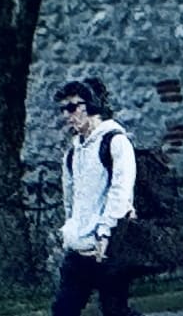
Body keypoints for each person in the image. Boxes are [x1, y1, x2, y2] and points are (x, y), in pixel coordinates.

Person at [51, 80, 143, 316]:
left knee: (115, 311)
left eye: (72, 107)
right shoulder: (73, 152)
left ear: (90, 105)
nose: (68, 115)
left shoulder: (115, 142)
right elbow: (70, 199)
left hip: (108, 248)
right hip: (79, 249)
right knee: (63, 309)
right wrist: (70, 230)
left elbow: (121, 191)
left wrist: (105, 232)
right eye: (64, 109)